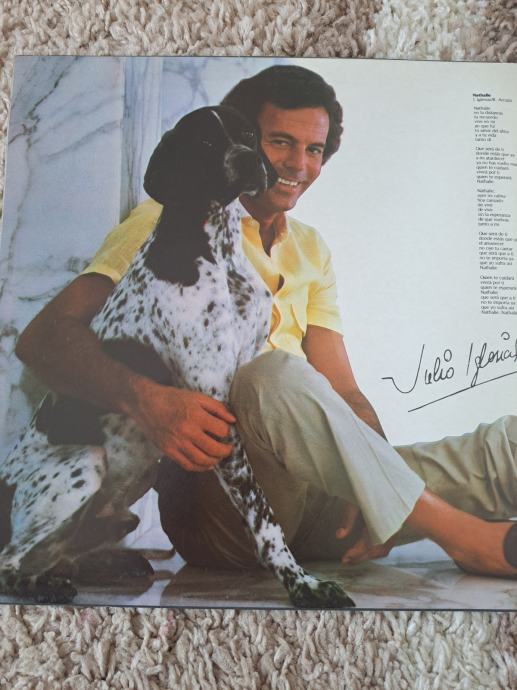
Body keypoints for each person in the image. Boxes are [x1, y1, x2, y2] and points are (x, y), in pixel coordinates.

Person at [15, 66, 517, 578]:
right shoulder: (171, 220)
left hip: (313, 493)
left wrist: (373, 481)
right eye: (280, 142)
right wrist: (147, 401)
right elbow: (41, 341)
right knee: (269, 374)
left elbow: (344, 390)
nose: (298, 164)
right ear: (243, 142)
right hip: (227, 504)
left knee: (508, 446)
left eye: (314, 149)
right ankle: (464, 538)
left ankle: (398, 507)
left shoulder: (310, 248)